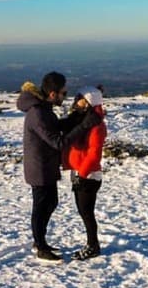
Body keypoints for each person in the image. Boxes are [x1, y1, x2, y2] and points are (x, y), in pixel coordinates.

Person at [18, 72, 101, 261]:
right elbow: (58, 142)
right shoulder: (38, 113)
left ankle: (40, 241)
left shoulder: (43, 109)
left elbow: (57, 126)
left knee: (50, 202)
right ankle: (40, 246)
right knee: (41, 206)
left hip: (46, 166)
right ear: (53, 94)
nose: (66, 96)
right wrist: (84, 125)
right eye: (64, 93)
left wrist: (78, 116)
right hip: (39, 169)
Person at [62, 86, 107, 260]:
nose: (76, 101)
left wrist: (82, 173)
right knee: (83, 211)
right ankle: (92, 243)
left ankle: (93, 246)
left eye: (80, 98)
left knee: (87, 212)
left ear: (89, 102)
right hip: (80, 172)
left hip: (88, 176)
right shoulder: (82, 121)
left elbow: (94, 154)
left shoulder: (96, 126)